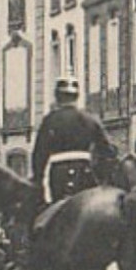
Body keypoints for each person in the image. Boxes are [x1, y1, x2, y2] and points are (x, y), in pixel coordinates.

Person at [30, 75, 117, 204]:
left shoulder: (50, 120)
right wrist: (103, 178)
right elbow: (109, 152)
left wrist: (38, 182)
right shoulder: (91, 119)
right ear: (77, 96)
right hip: (86, 173)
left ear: (57, 97)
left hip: (58, 174)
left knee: (50, 214)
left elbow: (39, 155)